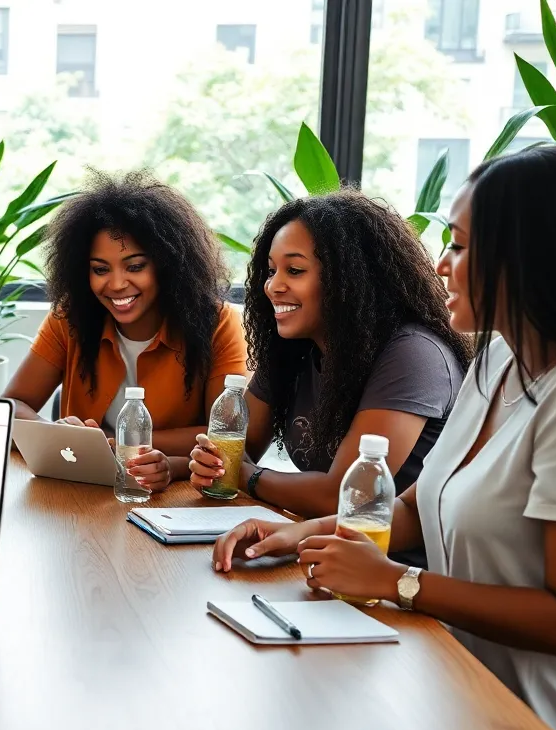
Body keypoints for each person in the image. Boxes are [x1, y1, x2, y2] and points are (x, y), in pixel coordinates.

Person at [213, 146, 556, 730]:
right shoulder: (499, 359)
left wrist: (397, 581)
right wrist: (300, 534)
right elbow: (415, 507)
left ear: (531, 258)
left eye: (461, 247)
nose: (441, 264)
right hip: (477, 699)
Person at [188, 191, 471, 548]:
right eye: (271, 271)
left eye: (295, 270)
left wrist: (244, 475)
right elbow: (236, 448)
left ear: (350, 278)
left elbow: (342, 494)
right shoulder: (293, 349)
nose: (273, 286)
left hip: (393, 567)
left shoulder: (414, 355)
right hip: (320, 549)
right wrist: (192, 464)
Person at [3, 172, 247, 493]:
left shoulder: (218, 322)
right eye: (100, 269)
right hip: (82, 491)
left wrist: (119, 444)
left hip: (175, 495)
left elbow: (229, 437)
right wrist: (58, 435)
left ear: (167, 264)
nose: (117, 284)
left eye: (135, 266)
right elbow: (10, 407)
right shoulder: (70, 317)